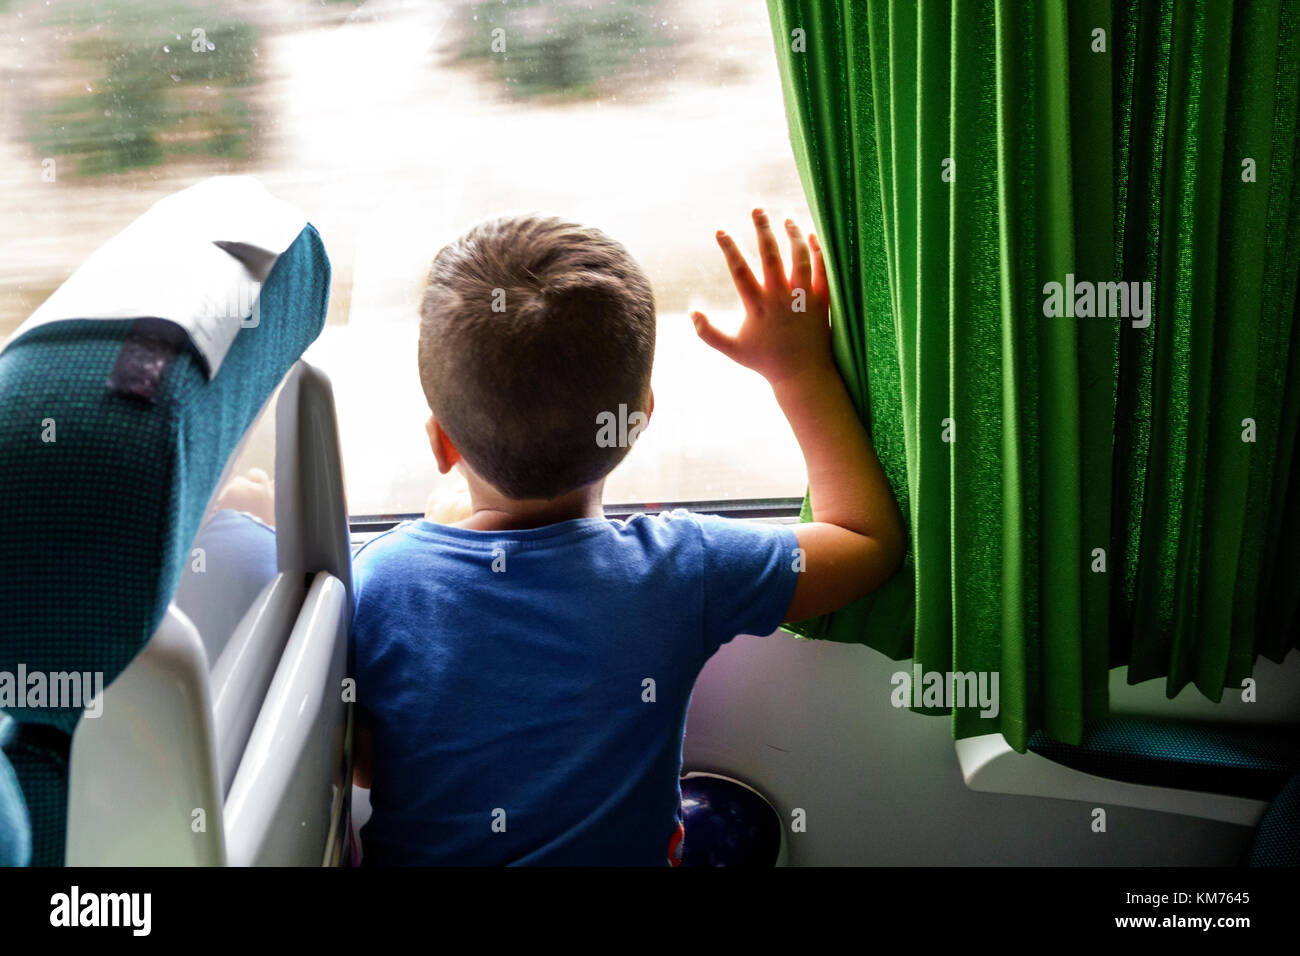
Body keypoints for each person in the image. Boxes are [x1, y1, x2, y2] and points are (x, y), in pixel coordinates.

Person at [350, 209, 904, 865]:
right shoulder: (680, 570)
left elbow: (365, 763)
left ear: (441, 444)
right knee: (727, 824)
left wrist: (436, 538)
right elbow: (865, 540)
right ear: (636, 422)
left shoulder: (377, 582)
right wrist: (797, 371)